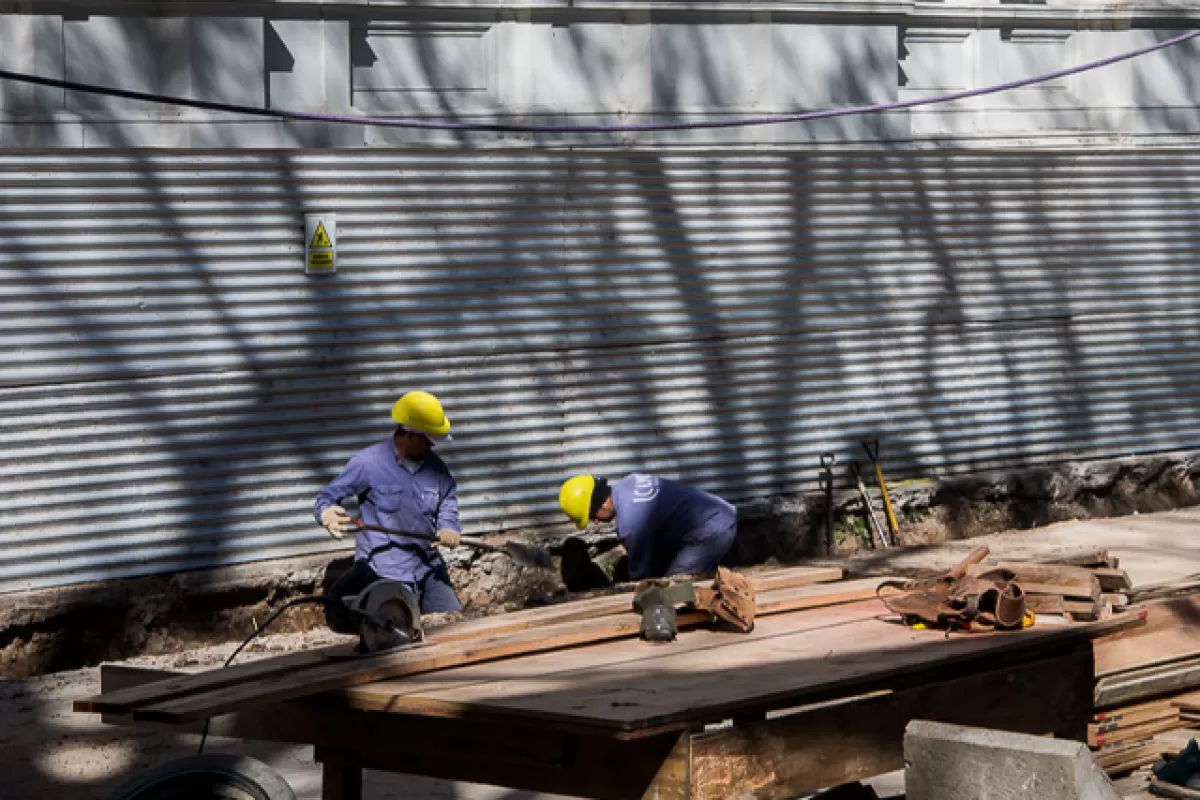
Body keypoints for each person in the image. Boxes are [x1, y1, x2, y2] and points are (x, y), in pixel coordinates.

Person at [315, 390, 464, 634]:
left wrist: (449, 527)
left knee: (454, 623)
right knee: (399, 636)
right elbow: (326, 497)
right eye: (427, 440)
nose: (431, 446)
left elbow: (447, 498)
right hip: (386, 572)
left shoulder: (435, 466)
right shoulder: (368, 464)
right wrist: (326, 513)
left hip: (428, 568)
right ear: (409, 436)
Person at [557, 473, 737, 581]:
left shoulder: (630, 525)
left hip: (712, 531)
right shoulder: (630, 482)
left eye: (592, 516)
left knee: (674, 589)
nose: (595, 522)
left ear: (602, 504)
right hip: (718, 514)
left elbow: (642, 579)